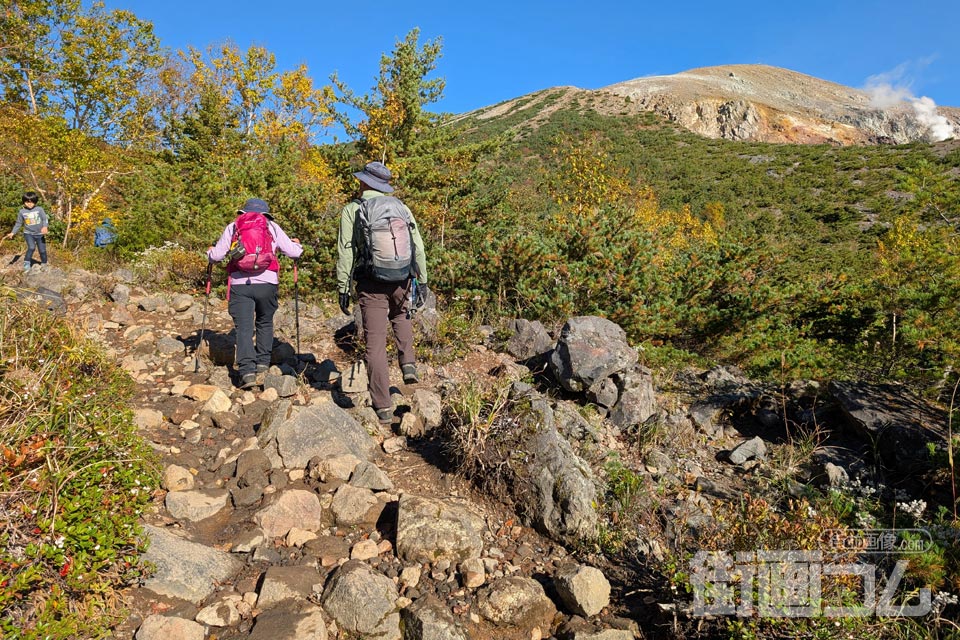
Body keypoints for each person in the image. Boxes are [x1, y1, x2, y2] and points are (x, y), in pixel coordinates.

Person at [336, 161, 429, 423]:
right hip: (402, 278)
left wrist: (343, 286)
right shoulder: (401, 208)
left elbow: (346, 251)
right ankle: (408, 363)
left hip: (371, 282)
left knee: (374, 343)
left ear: (365, 182)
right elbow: (418, 246)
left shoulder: (352, 210)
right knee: (401, 317)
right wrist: (422, 279)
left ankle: (383, 407)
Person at [208, 198, 302, 389]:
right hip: (267, 283)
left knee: (243, 328)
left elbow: (217, 256)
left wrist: (209, 253)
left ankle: (247, 372)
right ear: (266, 213)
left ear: (243, 212)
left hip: (240, 283)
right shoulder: (272, 226)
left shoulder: (234, 226)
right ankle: (262, 364)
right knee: (264, 322)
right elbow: (294, 253)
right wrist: (297, 245)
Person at [6, 192, 49, 272]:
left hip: (40, 234)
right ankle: (27, 262)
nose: (29, 204)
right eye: (27, 202)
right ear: (24, 202)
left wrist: (45, 227)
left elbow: (44, 219)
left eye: (32, 202)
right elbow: (18, 223)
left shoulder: (39, 209)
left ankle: (44, 263)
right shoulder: (22, 212)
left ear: (35, 201)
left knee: (42, 250)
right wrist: (13, 232)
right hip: (28, 233)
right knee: (31, 247)